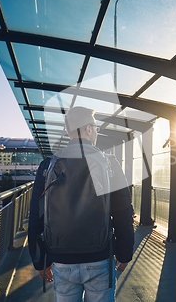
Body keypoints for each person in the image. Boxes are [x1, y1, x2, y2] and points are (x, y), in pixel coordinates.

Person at [28, 106, 135, 302]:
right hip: (100, 257)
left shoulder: (47, 166)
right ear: (88, 129)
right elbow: (123, 213)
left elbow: (36, 215)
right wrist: (125, 253)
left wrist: (39, 261)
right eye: (95, 128)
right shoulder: (109, 163)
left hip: (61, 259)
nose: (96, 132)